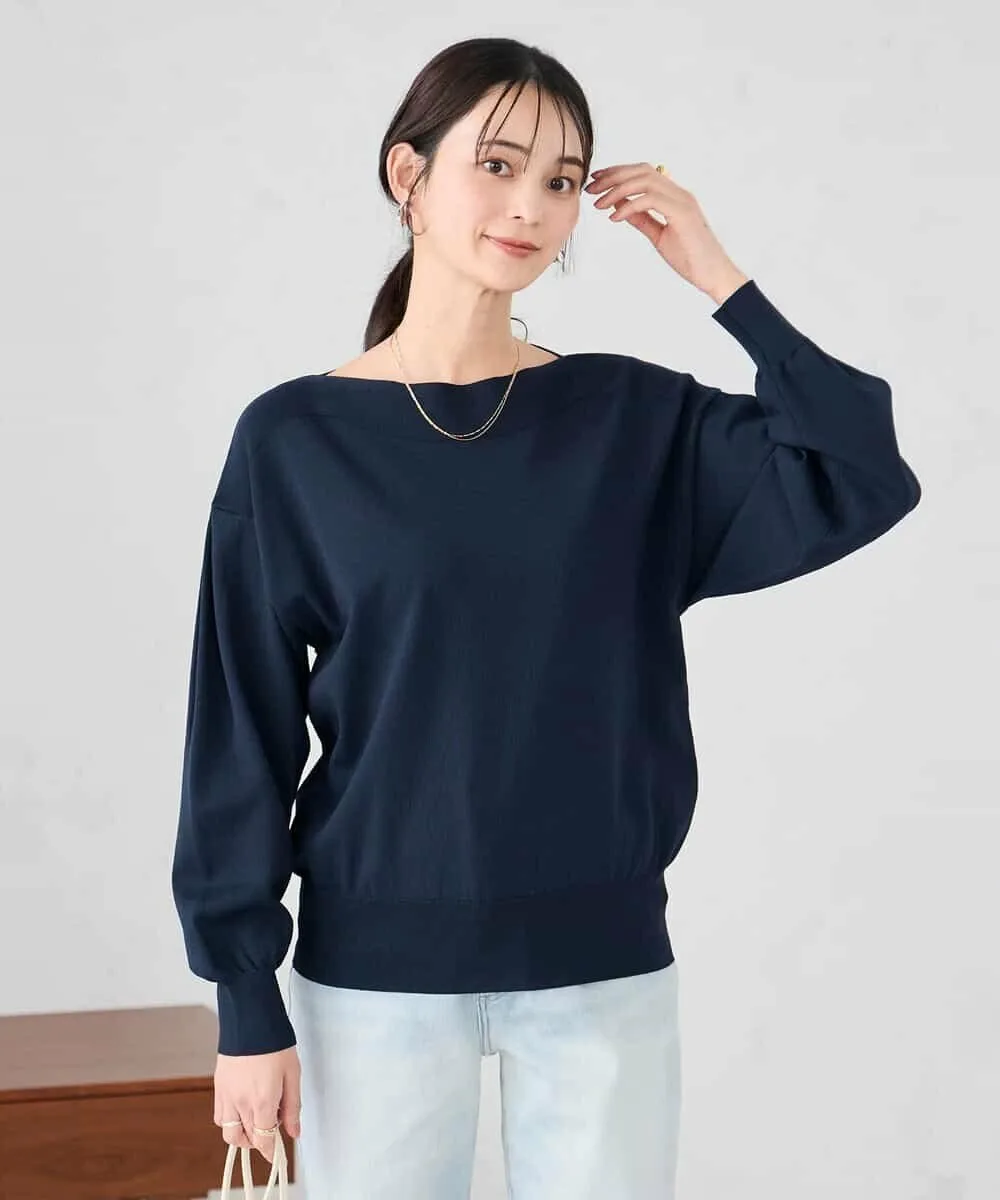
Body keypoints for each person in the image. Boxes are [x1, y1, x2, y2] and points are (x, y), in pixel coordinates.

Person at [170, 35, 922, 1200]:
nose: (531, 205)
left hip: (599, 968)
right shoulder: (294, 441)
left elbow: (861, 471)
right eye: (499, 164)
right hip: (372, 978)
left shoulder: (630, 422)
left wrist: (720, 279)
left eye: (562, 179)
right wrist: (243, 1004)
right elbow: (239, 733)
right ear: (408, 174)